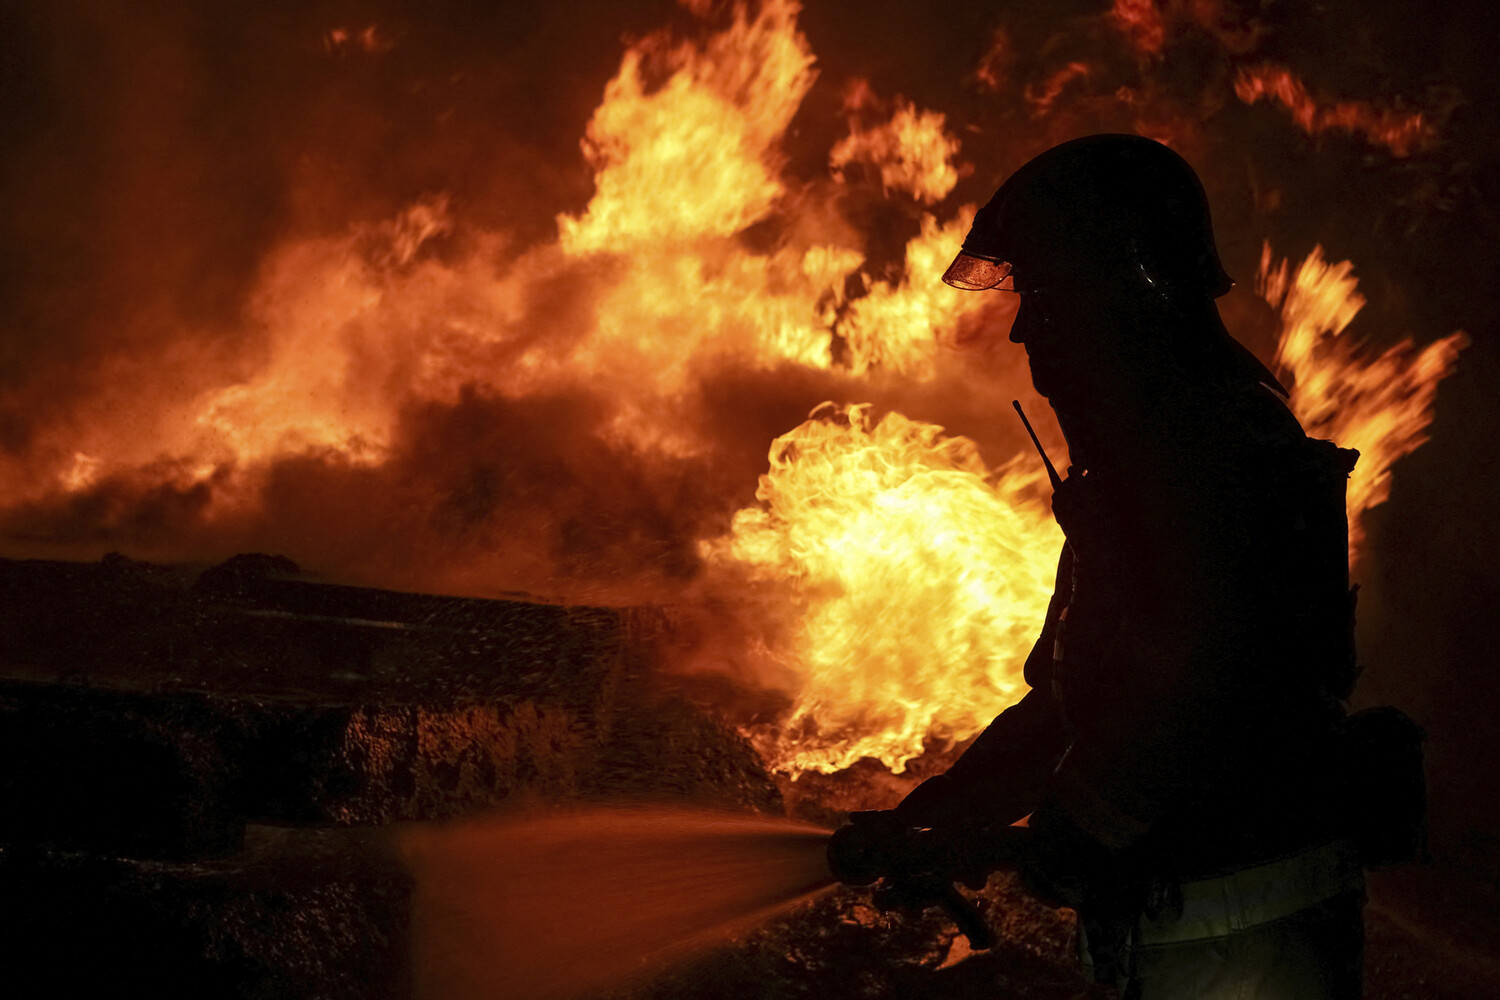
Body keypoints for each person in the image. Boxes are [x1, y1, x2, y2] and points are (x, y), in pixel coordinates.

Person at [879, 134, 1373, 998]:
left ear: (1133, 287)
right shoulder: (1143, 461)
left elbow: (1203, 696)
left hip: (1242, 936)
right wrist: (945, 812)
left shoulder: (1217, 457)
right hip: (1186, 922)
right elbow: (1083, 699)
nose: (1026, 328)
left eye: (1048, 295)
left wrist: (1055, 838)